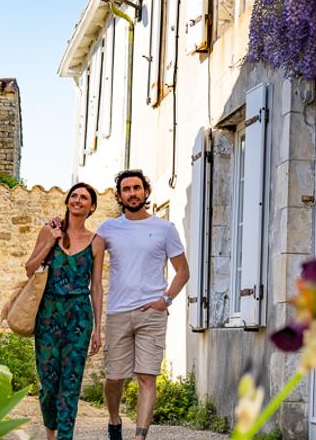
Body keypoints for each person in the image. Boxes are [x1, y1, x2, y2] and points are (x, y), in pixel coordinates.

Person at [97, 169, 189, 440]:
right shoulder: (108, 229)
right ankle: (114, 420)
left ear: (146, 192)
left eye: (137, 188)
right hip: (118, 312)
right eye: (126, 189)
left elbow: (183, 271)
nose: (132, 193)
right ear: (119, 196)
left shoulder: (164, 229)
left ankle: (140, 436)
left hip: (152, 313)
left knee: (147, 377)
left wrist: (166, 300)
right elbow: (80, 247)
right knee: (115, 378)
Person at [24, 182, 105, 440]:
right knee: (48, 383)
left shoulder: (96, 241)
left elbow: (97, 286)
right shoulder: (49, 230)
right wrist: (51, 243)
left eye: (84, 197)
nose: (78, 200)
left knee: (70, 383)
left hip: (79, 316)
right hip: (48, 312)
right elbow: (29, 268)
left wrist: (97, 328)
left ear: (92, 206)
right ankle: (51, 433)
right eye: (74, 196)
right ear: (68, 201)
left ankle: (64, 438)